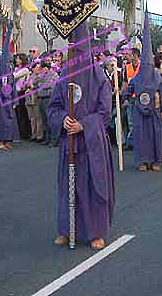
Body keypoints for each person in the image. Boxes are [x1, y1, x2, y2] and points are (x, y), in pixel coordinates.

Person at [48, 22, 115, 250]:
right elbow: (54, 107)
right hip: (69, 144)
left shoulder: (100, 78)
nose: (75, 56)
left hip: (91, 145)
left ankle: (96, 231)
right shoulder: (63, 76)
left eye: (79, 52)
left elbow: (105, 113)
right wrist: (62, 120)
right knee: (69, 188)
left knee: (92, 187)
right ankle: (68, 230)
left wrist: (84, 125)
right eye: (72, 51)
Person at [124, 11, 162, 172]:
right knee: (141, 137)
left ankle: (156, 161)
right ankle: (143, 161)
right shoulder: (136, 78)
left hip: (155, 112)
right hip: (139, 111)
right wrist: (125, 98)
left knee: (156, 136)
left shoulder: (157, 77)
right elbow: (128, 91)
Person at [0, 21, 18, 150]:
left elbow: (12, 85)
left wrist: (14, 98)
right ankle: (0, 141)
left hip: (8, 98)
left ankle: (8, 139)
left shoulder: (10, 72)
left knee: (10, 119)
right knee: (0, 120)